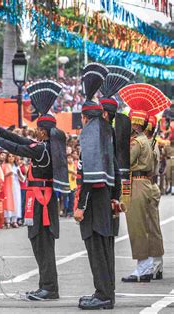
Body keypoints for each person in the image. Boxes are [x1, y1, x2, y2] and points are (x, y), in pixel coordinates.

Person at [0, 81, 69, 301]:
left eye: (38, 129)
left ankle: (49, 288)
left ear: (43, 131)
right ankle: (46, 286)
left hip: (41, 202)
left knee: (42, 245)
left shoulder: (42, 149)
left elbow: (19, 147)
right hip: (41, 201)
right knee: (40, 244)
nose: (35, 132)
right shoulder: (45, 147)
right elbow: (22, 140)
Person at [75, 94, 117, 310]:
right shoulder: (106, 133)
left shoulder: (91, 135)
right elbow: (116, 168)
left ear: (85, 118)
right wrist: (116, 196)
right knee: (104, 248)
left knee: (96, 249)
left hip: (94, 203)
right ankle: (106, 292)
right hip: (104, 200)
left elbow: (89, 178)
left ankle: (103, 294)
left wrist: (81, 207)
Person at [122, 110, 161, 283]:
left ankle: (143, 268)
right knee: (145, 226)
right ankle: (148, 265)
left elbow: (127, 160)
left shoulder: (137, 142)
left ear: (136, 123)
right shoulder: (146, 140)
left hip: (137, 183)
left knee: (137, 226)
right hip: (144, 182)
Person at [144, 115, 165, 280]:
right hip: (148, 186)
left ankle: (156, 264)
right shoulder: (150, 144)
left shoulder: (152, 145)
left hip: (149, 186)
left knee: (152, 227)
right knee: (148, 227)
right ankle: (154, 264)